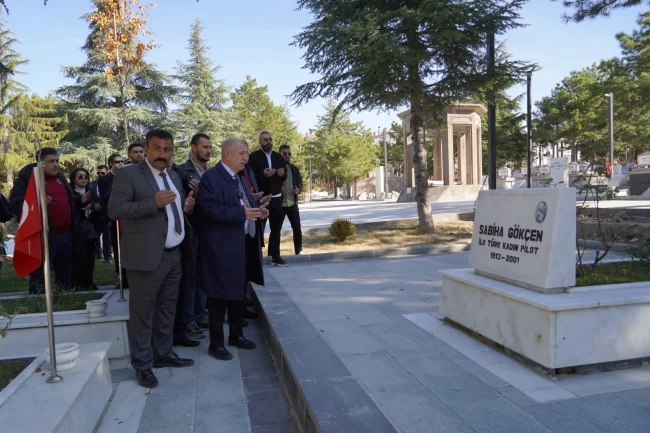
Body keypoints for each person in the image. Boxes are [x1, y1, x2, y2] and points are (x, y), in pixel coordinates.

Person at [108, 129, 196, 388]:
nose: (162, 154)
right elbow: (115, 210)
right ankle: (143, 365)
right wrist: (152, 203)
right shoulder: (129, 174)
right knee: (142, 314)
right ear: (146, 149)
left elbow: (172, 211)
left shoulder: (173, 175)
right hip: (145, 258)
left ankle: (163, 353)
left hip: (174, 255)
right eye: (157, 148)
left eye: (167, 150)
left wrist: (185, 208)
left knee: (167, 309)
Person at [196, 137, 268, 361]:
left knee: (238, 292)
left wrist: (258, 210)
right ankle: (216, 344)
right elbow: (208, 209)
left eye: (246, 153)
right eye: (242, 153)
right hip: (221, 247)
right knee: (219, 296)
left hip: (242, 243)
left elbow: (242, 205)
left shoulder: (237, 177)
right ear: (228, 154)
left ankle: (236, 335)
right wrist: (241, 214)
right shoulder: (211, 177)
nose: (246, 157)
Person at [9, 148, 90, 293]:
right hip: (43, 235)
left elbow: (67, 201)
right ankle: (38, 300)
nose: (56, 164)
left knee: (65, 272)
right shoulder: (27, 179)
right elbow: (15, 205)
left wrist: (79, 200)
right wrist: (37, 204)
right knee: (39, 273)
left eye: (57, 161)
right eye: (51, 161)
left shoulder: (61, 178)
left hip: (66, 234)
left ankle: (64, 298)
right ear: (40, 163)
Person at [172, 133, 211, 344]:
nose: (208, 151)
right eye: (204, 147)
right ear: (193, 148)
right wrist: (193, 195)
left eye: (210, 147)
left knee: (204, 275)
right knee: (190, 278)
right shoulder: (182, 171)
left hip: (209, 231)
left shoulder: (210, 172)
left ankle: (200, 315)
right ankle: (187, 320)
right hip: (192, 232)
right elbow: (179, 206)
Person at [247, 130, 288, 267]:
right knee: (259, 228)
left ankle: (275, 256)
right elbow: (250, 177)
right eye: (265, 139)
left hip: (276, 198)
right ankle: (256, 256)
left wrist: (282, 175)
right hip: (262, 199)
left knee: (276, 229)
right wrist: (263, 175)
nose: (268, 142)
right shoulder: (253, 157)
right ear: (260, 141)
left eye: (270, 139)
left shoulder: (278, 157)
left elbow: (284, 176)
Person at [98, 153, 128, 288]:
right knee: (118, 248)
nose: (120, 164)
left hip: (128, 216)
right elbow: (105, 199)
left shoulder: (127, 175)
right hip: (114, 218)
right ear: (111, 164)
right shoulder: (105, 179)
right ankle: (120, 276)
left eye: (122, 161)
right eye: (117, 162)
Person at [69, 167, 99, 290]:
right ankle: (78, 283)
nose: (84, 179)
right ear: (73, 179)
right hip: (75, 231)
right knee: (78, 258)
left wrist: (96, 209)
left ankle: (88, 282)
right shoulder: (70, 192)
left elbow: (98, 212)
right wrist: (81, 210)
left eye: (86, 176)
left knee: (90, 257)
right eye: (80, 176)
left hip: (89, 230)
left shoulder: (91, 192)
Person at [278, 144, 304, 255]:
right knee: (276, 230)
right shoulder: (275, 169)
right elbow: (270, 185)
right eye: (284, 153)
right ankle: (273, 253)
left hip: (293, 204)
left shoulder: (294, 169)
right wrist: (279, 190)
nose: (287, 156)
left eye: (289, 154)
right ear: (279, 154)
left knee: (297, 228)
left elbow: (300, 184)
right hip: (280, 205)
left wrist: (298, 189)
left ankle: (299, 251)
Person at [91, 165, 112, 262]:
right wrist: (94, 205)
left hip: (107, 213)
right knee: (95, 234)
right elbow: (89, 197)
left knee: (107, 235)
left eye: (103, 173)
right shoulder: (92, 184)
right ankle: (97, 254)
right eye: (98, 173)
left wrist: (103, 205)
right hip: (95, 214)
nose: (100, 175)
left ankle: (107, 256)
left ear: (107, 172)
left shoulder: (111, 184)